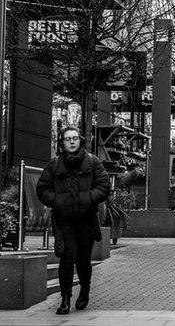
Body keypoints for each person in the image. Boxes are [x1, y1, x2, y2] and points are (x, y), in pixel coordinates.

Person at [35, 126, 110, 315]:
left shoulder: (92, 162)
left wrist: (87, 198)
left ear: (80, 140)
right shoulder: (54, 165)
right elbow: (42, 189)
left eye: (75, 138)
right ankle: (65, 299)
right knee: (66, 259)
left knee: (83, 260)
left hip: (86, 220)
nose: (72, 141)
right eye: (68, 139)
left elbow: (104, 186)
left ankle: (84, 291)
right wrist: (58, 201)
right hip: (64, 220)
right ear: (62, 142)